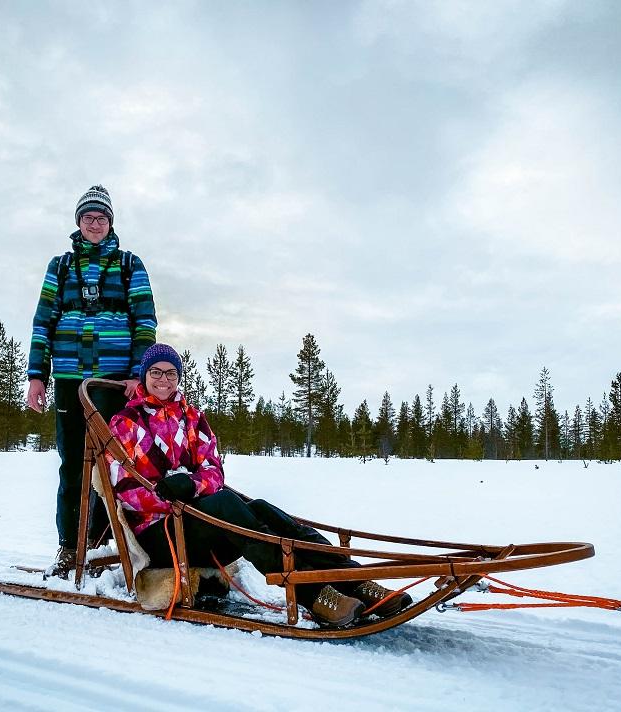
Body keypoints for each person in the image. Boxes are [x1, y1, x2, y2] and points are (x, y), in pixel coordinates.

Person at [106, 343, 412, 628]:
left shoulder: (192, 418)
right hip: (160, 534)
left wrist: (192, 485)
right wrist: (166, 495)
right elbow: (124, 488)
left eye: (171, 372)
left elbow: (214, 472)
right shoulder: (125, 422)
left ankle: (353, 579)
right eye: (155, 372)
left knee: (262, 509)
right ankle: (312, 595)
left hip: (199, 524)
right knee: (225, 503)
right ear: (144, 376)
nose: (164, 379)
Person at [27, 185, 157, 578]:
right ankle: (70, 547)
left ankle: (103, 548)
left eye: (102, 218)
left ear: (110, 222)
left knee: (113, 466)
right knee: (72, 465)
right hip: (68, 379)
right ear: (78, 222)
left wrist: (138, 373)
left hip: (114, 383)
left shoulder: (129, 264)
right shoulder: (60, 267)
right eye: (88, 218)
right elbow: (43, 322)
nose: (95, 224)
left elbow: (145, 321)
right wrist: (37, 375)